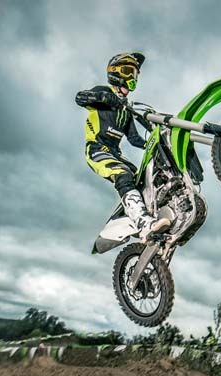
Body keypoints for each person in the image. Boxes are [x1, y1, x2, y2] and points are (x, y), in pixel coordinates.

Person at [75, 52, 170, 243]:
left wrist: (155, 144)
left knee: (144, 177)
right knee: (123, 174)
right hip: (97, 149)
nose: (131, 77)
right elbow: (80, 98)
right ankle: (144, 224)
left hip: (116, 153)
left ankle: (154, 213)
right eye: (128, 71)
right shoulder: (104, 92)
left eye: (134, 74)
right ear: (115, 71)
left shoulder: (125, 111)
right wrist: (104, 98)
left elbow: (134, 139)